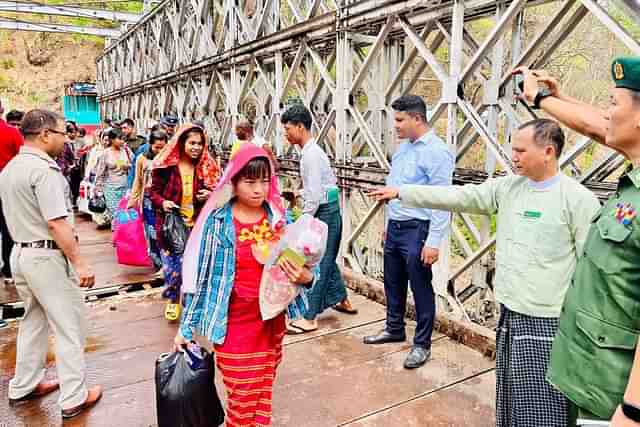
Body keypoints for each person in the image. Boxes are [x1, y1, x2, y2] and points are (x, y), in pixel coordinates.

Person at [372, 118, 600, 426]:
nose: (513, 156)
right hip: (509, 311)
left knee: (544, 403)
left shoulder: (578, 199)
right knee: (510, 397)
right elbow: (459, 197)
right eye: (512, 150)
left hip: (549, 320)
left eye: (520, 150)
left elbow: (591, 268)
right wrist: (403, 192)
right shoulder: (509, 188)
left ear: (548, 151)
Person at [514, 58, 640, 426]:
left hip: (616, 399)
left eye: (613, 103)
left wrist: (633, 411)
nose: (606, 113)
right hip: (592, 379)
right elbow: (597, 125)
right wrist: (547, 99)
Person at [175, 144, 315, 427]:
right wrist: (185, 329)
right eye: (250, 182)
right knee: (242, 402)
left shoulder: (278, 218)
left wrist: (307, 278)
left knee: (261, 396)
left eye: (265, 180)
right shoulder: (217, 223)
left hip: (271, 324)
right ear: (234, 181)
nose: (258, 189)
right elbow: (201, 279)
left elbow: (306, 267)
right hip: (233, 326)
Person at [0, 109, 102, 419]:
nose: (64, 139)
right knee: (69, 326)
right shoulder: (44, 171)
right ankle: (74, 396)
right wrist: (80, 263)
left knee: (33, 321)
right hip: (45, 256)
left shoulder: (12, 169)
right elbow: (57, 224)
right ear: (45, 134)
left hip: (21, 253)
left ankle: (24, 385)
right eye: (61, 133)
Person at [363, 95, 454, 369]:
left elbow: (443, 200)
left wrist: (434, 241)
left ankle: (422, 344)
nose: (396, 126)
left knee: (421, 287)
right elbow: (394, 189)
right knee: (392, 281)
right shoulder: (403, 149)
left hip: (418, 228)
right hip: (397, 226)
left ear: (417, 118)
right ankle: (394, 328)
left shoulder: (437, 152)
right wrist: (387, 225)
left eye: (400, 120)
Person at [280, 104, 356, 334]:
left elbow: (314, 195)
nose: (285, 133)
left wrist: (303, 222)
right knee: (328, 258)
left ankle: (310, 317)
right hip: (326, 210)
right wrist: (301, 196)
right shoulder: (311, 153)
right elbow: (323, 185)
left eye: (288, 128)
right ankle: (341, 299)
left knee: (320, 263)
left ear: (300, 127)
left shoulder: (310, 156)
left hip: (325, 214)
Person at [148, 123, 219, 318]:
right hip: (171, 227)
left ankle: (190, 304)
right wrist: (163, 203)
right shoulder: (167, 166)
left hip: (196, 226)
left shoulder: (205, 167)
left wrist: (208, 194)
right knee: (174, 269)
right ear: (182, 143)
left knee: (192, 268)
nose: (196, 147)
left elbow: (217, 191)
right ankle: (173, 299)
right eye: (192, 143)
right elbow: (152, 193)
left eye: (200, 143)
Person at [128, 129, 168, 269]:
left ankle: (168, 264)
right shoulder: (142, 159)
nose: (159, 151)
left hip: (164, 199)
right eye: (157, 147)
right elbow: (138, 181)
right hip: (148, 200)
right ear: (150, 144)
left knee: (165, 232)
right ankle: (158, 263)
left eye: (163, 147)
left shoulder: (169, 158)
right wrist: (133, 200)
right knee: (152, 232)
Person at [0, 99, 24, 283]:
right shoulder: (12, 133)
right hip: (8, 185)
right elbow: (22, 159)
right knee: (8, 227)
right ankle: (8, 269)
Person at [94, 128, 133, 229]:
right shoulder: (105, 153)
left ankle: (123, 237)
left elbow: (134, 164)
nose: (121, 141)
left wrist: (127, 166)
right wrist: (98, 190)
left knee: (125, 215)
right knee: (116, 215)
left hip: (125, 187)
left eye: (123, 139)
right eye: (119, 139)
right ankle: (117, 237)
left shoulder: (126, 151)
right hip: (110, 189)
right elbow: (100, 173)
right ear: (111, 140)